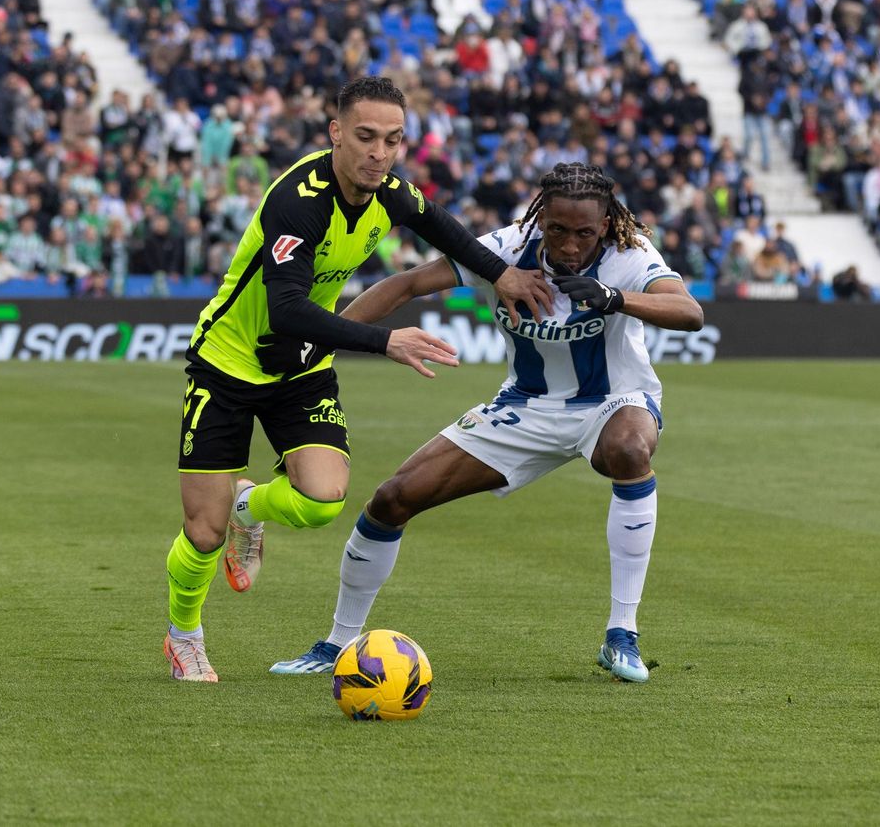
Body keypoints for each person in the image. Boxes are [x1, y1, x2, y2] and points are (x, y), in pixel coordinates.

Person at [162, 77, 553, 682]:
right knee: (203, 532)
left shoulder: (389, 193)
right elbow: (288, 307)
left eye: (393, 141)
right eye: (366, 137)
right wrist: (384, 340)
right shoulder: (298, 201)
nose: (379, 153)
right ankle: (184, 635)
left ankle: (249, 505)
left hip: (300, 366)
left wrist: (501, 275)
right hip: (229, 364)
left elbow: (447, 231)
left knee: (320, 501)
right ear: (336, 132)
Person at [265, 162, 705, 684]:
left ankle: (621, 635)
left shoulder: (631, 257)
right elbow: (407, 284)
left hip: (613, 401)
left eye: (583, 233)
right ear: (541, 220)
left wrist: (615, 299)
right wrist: (321, 344)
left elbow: (689, 311)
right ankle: (337, 643)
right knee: (392, 498)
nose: (568, 245)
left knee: (630, 451)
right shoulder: (507, 248)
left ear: (606, 225)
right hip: (525, 407)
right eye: (557, 230)